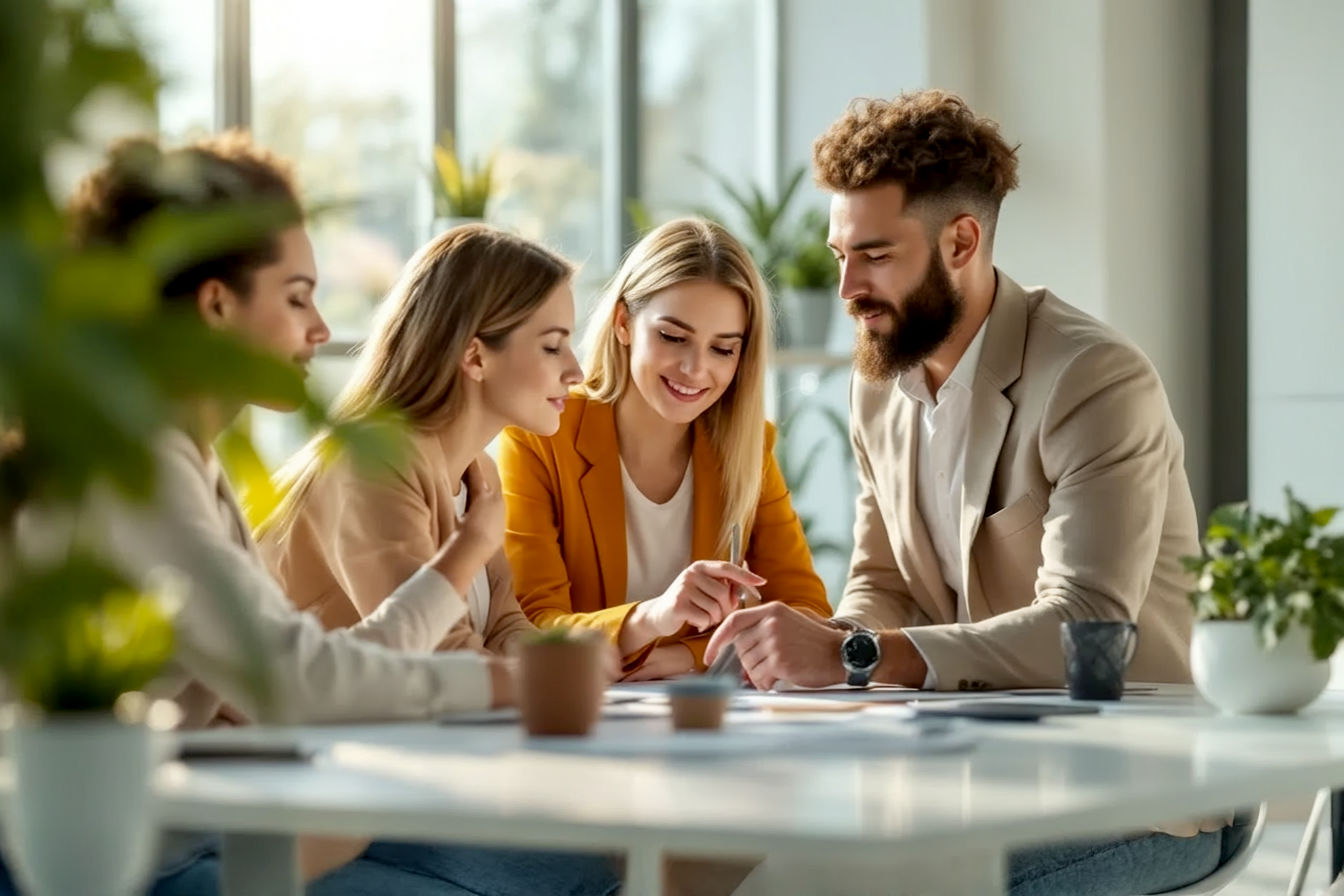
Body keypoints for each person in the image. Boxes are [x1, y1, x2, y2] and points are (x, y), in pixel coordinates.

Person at [9, 133, 617, 896]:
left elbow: (312, 669)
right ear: (217, 304)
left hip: (188, 832)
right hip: (111, 861)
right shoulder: (138, 466)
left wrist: (471, 556)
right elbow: (302, 681)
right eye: (297, 296)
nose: (321, 330)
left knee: (575, 869)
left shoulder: (185, 458)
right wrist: (510, 686)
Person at [705, 90, 1248, 895]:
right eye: (839, 255)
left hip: (1141, 793)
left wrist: (856, 656)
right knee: (757, 875)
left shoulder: (1093, 379)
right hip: (974, 782)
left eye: (876, 255)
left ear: (962, 240)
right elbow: (882, 583)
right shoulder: (878, 386)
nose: (848, 287)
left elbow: (1086, 624)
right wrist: (818, 644)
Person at [499, 217, 831, 680]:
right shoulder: (540, 436)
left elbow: (807, 613)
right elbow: (532, 628)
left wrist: (686, 657)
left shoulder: (747, 448)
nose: (695, 369)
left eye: (723, 349)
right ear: (623, 323)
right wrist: (651, 619)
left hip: (701, 721)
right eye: (673, 337)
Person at [256, 224, 583, 660]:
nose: (576, 372)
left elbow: (503, 625)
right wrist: (561, 679)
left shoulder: (479, 471)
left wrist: (572, 661)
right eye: (552, 347)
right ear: (475, 356)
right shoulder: (372, 462)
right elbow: (435, 655)